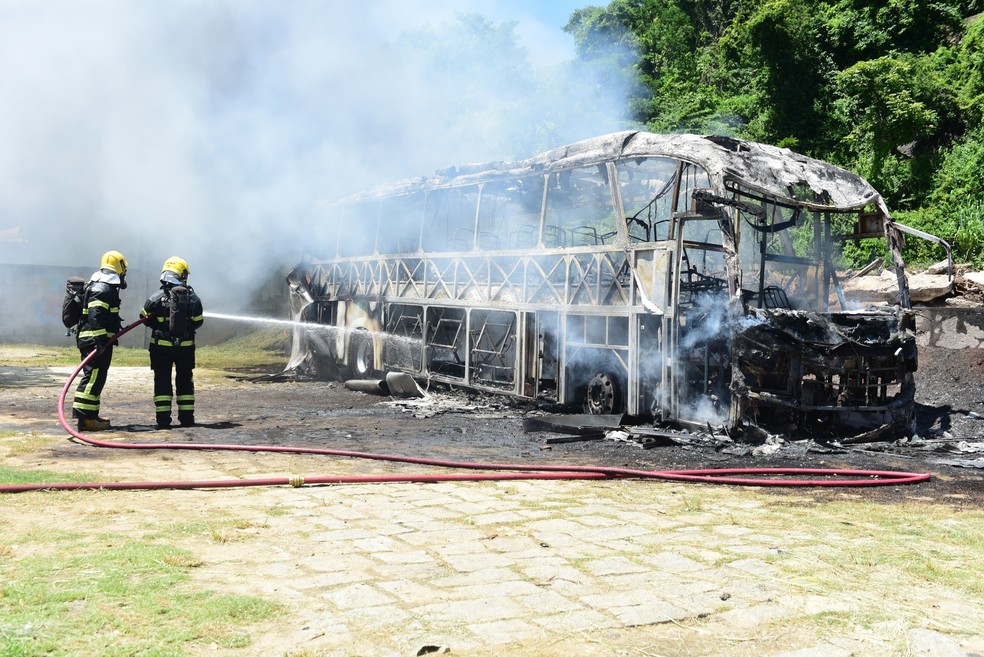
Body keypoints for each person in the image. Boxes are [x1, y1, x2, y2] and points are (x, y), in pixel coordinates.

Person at [141, 256, 204, 429]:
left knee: (162, 381)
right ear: (182, 275)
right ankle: (186, 418)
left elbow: (144, 317)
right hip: (185, 348)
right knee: (185, 380)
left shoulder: (156, 297)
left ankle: (163, 420)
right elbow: (198, 321)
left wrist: (159, 325)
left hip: (160, 348)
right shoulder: (192, 298)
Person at [73, 250, 128, 431]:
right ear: (119, 267)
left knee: (97, 377)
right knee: (93, 378)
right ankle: (86, 419)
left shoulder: (100, 286)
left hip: (96, 340)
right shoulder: (102, 289)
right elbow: (96, 316)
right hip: (94, 341)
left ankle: (91, 415)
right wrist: (101, 340)